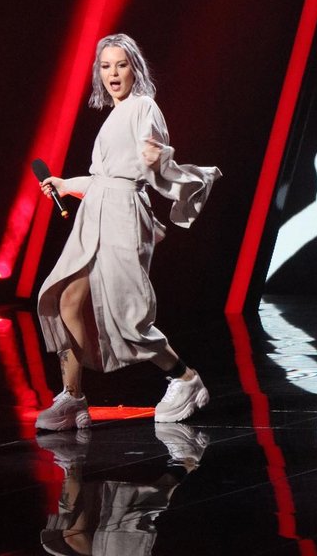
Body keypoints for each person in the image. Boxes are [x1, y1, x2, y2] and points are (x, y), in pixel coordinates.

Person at [35, 33, 221, 431]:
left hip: (123, 216)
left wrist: (158, 159)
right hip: (96, 215)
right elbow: (107, 178)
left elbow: (146, 162)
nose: (113, 73)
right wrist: (66, 184)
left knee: (128, 319)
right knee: (67, 299)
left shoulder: (143, 106)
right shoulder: (114, 114)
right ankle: (73, 398)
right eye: (106, 66)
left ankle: (186, 378)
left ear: (135, 68)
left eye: (121, 65)